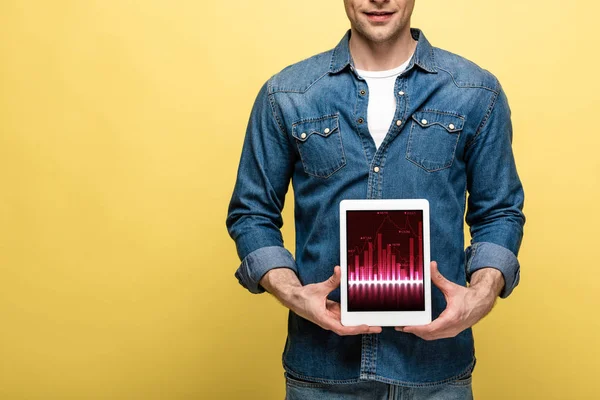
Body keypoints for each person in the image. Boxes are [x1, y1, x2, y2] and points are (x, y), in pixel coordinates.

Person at [225, 0, 525, 398]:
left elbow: (500, 212)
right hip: (323, 374)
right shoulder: (287, 93)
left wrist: (482, 294)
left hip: (436, 375)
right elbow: (251, 213)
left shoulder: (475, 92)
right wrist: (294, 293)